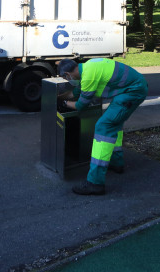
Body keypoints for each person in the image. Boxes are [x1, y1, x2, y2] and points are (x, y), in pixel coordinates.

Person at [58, 58, 148, 195]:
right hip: (130, 89)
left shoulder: (88, 77)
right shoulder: (88, 67)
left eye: (65, 78)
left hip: (132, 92)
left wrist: (64, 103)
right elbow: (77, 92)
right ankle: (116, 162)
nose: (67, 80)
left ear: (67, 74)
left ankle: (95, 182)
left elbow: (80, 106)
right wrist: (62, 96)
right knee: (114, 124)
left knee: (104, 126)